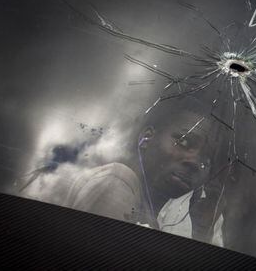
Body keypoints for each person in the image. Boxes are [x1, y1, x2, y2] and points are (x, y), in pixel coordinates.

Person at [64, 96, 223, 242]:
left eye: (207, 158)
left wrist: (200, 232)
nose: (195, 163)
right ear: (146, 138)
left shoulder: (148, 211)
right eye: (185, 142)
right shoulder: (118, 183)